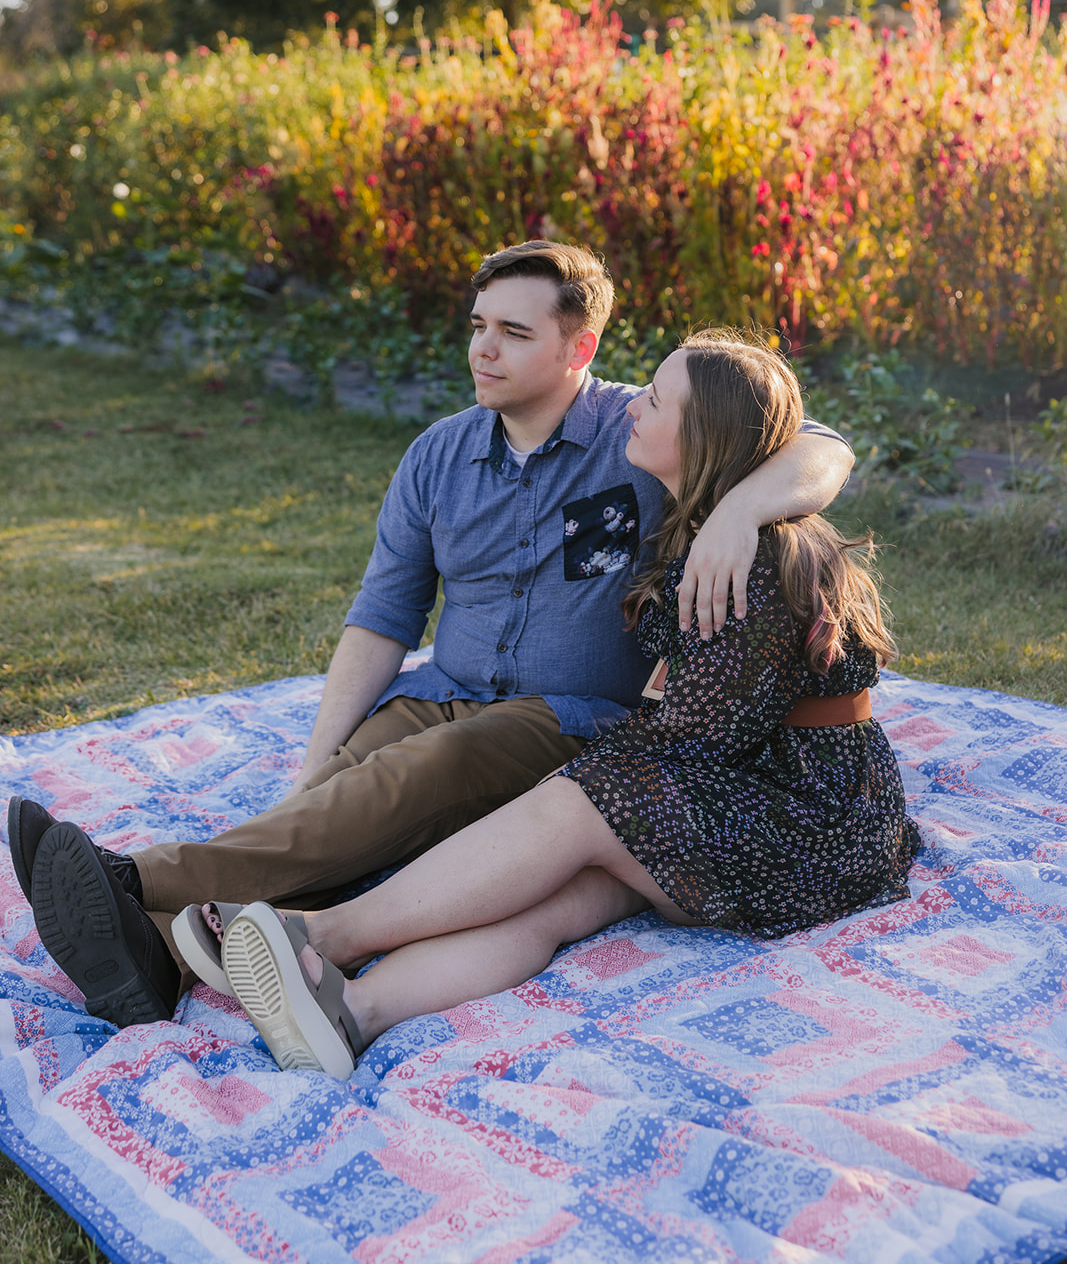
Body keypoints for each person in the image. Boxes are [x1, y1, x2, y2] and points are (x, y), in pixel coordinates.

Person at [11, 246, 852, 1030]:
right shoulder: (435, 457)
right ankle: (157, 957)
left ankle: (136, 877)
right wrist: (317, 761)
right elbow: (383, 617)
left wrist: (741, 509)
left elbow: (818, 444)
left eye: (514, 333)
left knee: (426, 775)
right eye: (478, 327)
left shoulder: (642, 432)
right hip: (436, 691)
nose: (483, 350)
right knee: (343, 797)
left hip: (562, 714)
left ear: (578, 346)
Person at [190, 330, 918, 1079]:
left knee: (577, 804)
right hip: (760, 793)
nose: (635, 405)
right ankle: (353, 1014)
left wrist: (567, 789)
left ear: (700, 436)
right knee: (557, 900)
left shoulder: (753, 561)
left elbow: (697, 741)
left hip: (809, 820)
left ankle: (322, 935)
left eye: (657, 400)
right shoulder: (701, 528)